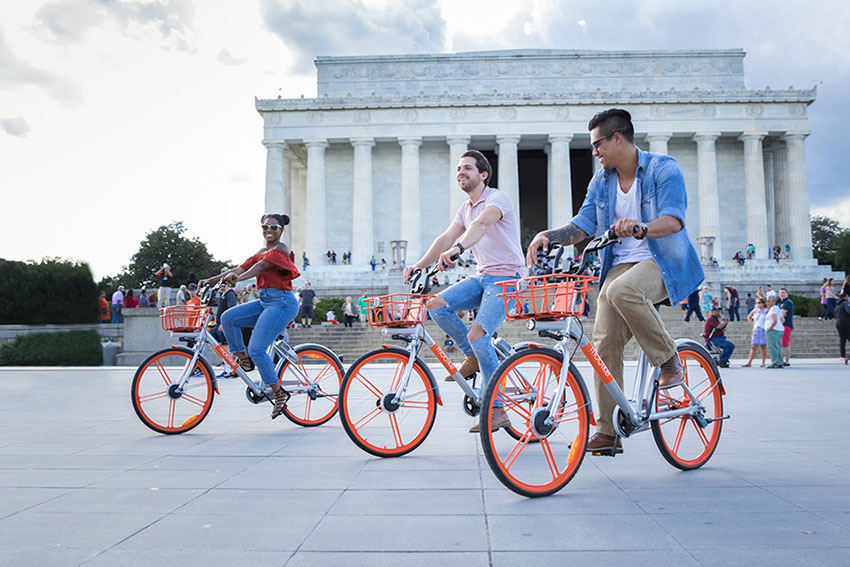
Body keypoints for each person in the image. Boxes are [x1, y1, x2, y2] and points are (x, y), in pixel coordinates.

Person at [526, 108, 703, 454]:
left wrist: (641, 227)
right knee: (603, 343)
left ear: (617, 138)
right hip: (618, 267)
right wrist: (549, 235)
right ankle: (608, 432)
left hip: (662, 260)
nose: (594, 152)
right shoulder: (601, 181)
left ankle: (669, 360)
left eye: (597, 145)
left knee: (622, 290)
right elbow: (584, 224)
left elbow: (674, 220)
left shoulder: (662, 169)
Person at [403, 149, 525, 434]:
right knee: (435, 305)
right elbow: (445, 237)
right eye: (459, 169)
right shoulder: (465, 208)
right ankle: (473, 356)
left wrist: (459, 249)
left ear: (483, 175)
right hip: (483, 277)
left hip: (508, 277)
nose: (461, 173)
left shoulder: (497, 199)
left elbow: (482, 225)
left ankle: (497, 409)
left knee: (478, 333)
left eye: (468, 168)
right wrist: (419, 265)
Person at [199, 213, 300, 419]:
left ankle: (279, 393)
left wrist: (238, 279)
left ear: (281, 230)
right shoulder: (262, 252)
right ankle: (243, 359)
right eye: (265, 227)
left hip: (281, 302)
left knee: (257, 348)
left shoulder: (281, 249)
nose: (269, 231)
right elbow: (239, 268)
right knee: (228, 318)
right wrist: (211, 280)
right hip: (265, 301)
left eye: (274, 227)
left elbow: (259, 267)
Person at [742, 297, 768, 367]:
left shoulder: (766, 311)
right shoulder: (755, 310)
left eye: (759, 303)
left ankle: (763, 362)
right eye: (757, 303)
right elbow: (749, 317)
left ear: (763, 303)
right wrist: (753, 324)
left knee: (763, 347)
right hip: (756, 329)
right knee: (753, 346)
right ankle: (749, 362)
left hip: (763, 329)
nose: (758, 304)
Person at [765, 294, 785, 368]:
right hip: (779, 329)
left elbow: (775, 320)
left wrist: (770, 327)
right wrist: (779, 325)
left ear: (773, 302)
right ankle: (780, 362)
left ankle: (774, 362)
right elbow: (783, 320)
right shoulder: (777, 308)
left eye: (768, 301)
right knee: (778, 346)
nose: (767, 303)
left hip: (773, 330)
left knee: (772, 347)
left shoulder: (773, 308)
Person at [778, 287, 794, 366]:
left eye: (783, 293)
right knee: (783, 343)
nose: (781, 294)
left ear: (787, 294)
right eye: (780, 293)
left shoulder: (788, 302)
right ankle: (783, 359)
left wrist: (780, 313)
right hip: (781, 325)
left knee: (785, 343)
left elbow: (781, 313)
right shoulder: (781, 303)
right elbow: (780, 313)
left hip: (786, 325)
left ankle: (787, 361)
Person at [836, 292, 850, 364]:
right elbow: (848, 312)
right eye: (847, 297)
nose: (848, 298)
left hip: (838, 323)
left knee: (842, 339)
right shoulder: (845, 303)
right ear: (844, 297)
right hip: (845, 323)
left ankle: (842, 355)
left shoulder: (838, 305)